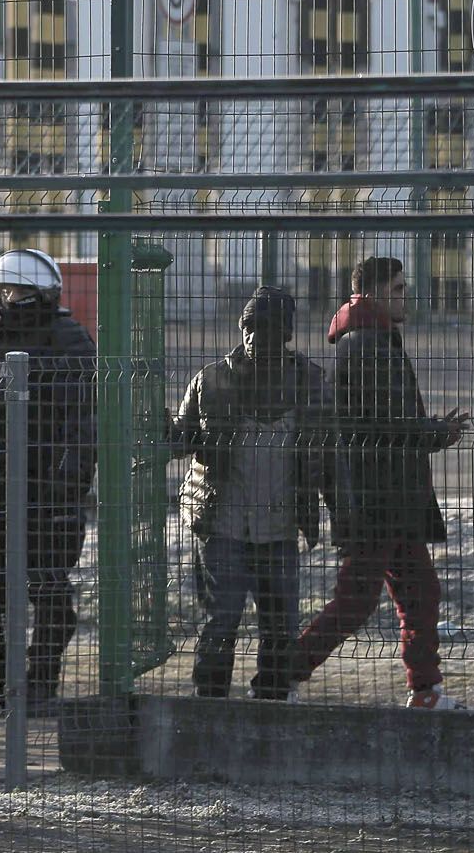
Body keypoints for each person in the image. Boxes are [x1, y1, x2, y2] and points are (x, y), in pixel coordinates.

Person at [295, 257, 472, 709]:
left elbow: (385, 422)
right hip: (378, 499)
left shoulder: (366, 341)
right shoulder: (370, 346)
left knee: (418, 593)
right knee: (356, 602)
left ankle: (426, 690)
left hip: (382, 496)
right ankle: (281, 675)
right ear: (371, 294)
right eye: (396, 289)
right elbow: (392, 425)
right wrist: (437, 433)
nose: (404, 296)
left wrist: (429, 430)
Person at [0, 248, 97, 713]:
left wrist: (67, 484)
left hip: (47, 486)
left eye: (23, 290)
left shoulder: (68, 338)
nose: (14, 298)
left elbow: (82, 419)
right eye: (8, 290)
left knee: (47, 586)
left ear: (44, 292)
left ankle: (40, 682)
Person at [169, 286, 333, 700]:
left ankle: (273, 696)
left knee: (280, 621)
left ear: (286, 335)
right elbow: (181, 438)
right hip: (222, 521)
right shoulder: (211, 379)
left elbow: (329, 459)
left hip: (278, 526)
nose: (256, 338)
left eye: (268, 329)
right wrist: (159, 425)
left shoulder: (311, 383)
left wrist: (340, 516)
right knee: (222, 617)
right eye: (249, 328)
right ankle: (209, 697)